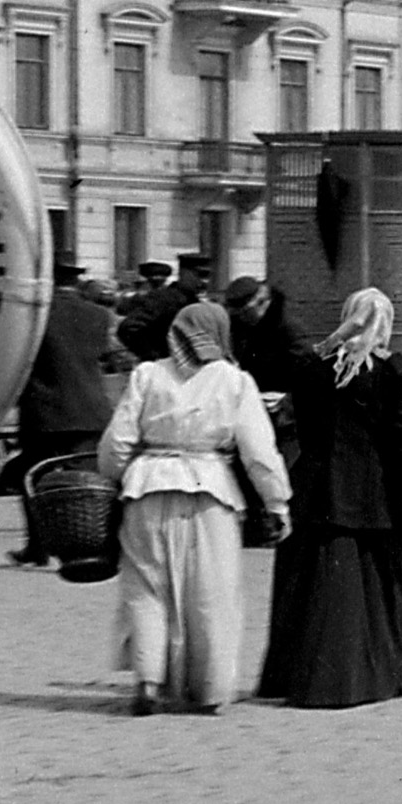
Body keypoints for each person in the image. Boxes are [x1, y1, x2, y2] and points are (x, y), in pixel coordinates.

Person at [94, 299, 290, 716]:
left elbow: (117, 443)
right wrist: (277, 502)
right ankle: (209, 690)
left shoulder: (147, 375)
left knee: (147, 590)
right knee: (211, 593)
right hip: (210, 492)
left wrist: (113, 475)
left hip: (147, 489)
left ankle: (148, 682)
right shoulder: (235, 382)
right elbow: (259, 451)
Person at [258, 289, 402, 708]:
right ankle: (386, 668)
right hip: (375, 493)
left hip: (315, 490)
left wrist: (332, 342)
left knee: (317, 585)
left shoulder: (313, 368)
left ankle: (300, 675)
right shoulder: (392, 369)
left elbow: (300, 409)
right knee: (385, 584)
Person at [7, 265, 122, 568]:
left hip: (45, 409)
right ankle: (98, 543)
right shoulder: (99, 315)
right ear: (77, 281)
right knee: (92, 480)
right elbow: (110, 357)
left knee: (33, 476)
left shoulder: (35, 315)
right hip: (90, 408)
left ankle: (38, 546)